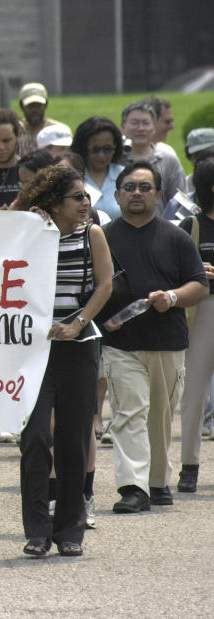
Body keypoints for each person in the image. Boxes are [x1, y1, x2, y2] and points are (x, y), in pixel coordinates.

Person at [15, 166, 112, 557]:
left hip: (79, 346)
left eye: (86, 197)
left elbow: (106, 285)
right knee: (35, 438)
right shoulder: (27, 230)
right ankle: (37, 531)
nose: (86, 204)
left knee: (73, 440)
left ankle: (70, 530)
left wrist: (78, 323)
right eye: (77, 198)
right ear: (55, 203)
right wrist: (26, 216)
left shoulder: (93, 234)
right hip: (34, 349)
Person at [100, 162, 208, 514]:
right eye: (129, 187)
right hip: (121, 344)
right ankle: (133, 487)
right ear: (117, 195)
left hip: (168, 342)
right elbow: (94, 287)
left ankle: (158, 482)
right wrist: (102, 320)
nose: (137, 193)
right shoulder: (103, 237)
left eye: (145, 188)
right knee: (128, 412)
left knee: (160, 417)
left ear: (159, 196)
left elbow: (199, 285)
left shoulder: (176, 237)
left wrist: (173, 297)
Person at [175, 159, 214, 492]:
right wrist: (196, 268)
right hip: (201, 311)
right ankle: (190, 463)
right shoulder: (191, 225)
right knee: (194, 394)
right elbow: (172, 265)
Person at [120, 101, 186, 208]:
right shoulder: (116, 159)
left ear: (154, 128)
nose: (140, 128)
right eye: (134, 123)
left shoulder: (168, 160)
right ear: (123, 126)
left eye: (146, 123)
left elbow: (180, 202)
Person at [70, 116, 126, 220]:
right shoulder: (72, 176)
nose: (101, 155)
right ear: (83, 147)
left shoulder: (126, 175)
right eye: (95, 149)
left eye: (107, 149)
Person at [17, 82, 65, 153]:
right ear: (21, 106)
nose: (34, 110)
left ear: (46, 105)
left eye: (38, 106)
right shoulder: (14, 130)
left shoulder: (58, 131)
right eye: (30, 106)